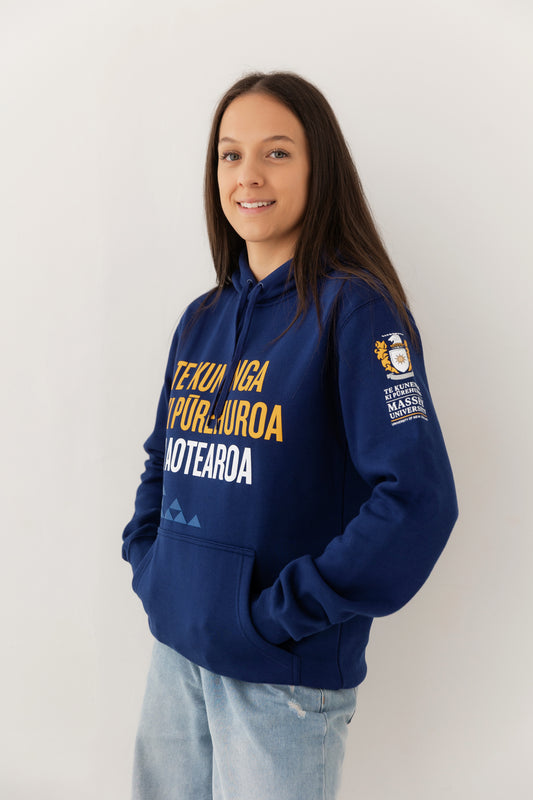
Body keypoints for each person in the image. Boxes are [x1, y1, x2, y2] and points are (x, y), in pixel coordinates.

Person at [122, 71, 458, 800]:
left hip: (280, 677)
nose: (248, 174)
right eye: (230, 154)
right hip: (176, 655)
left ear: (318, 168)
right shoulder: (201, 318)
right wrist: (156, 571)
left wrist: (282, 614)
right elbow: (163, 459)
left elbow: (418, 499)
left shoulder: (358, 312)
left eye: (276, 152)